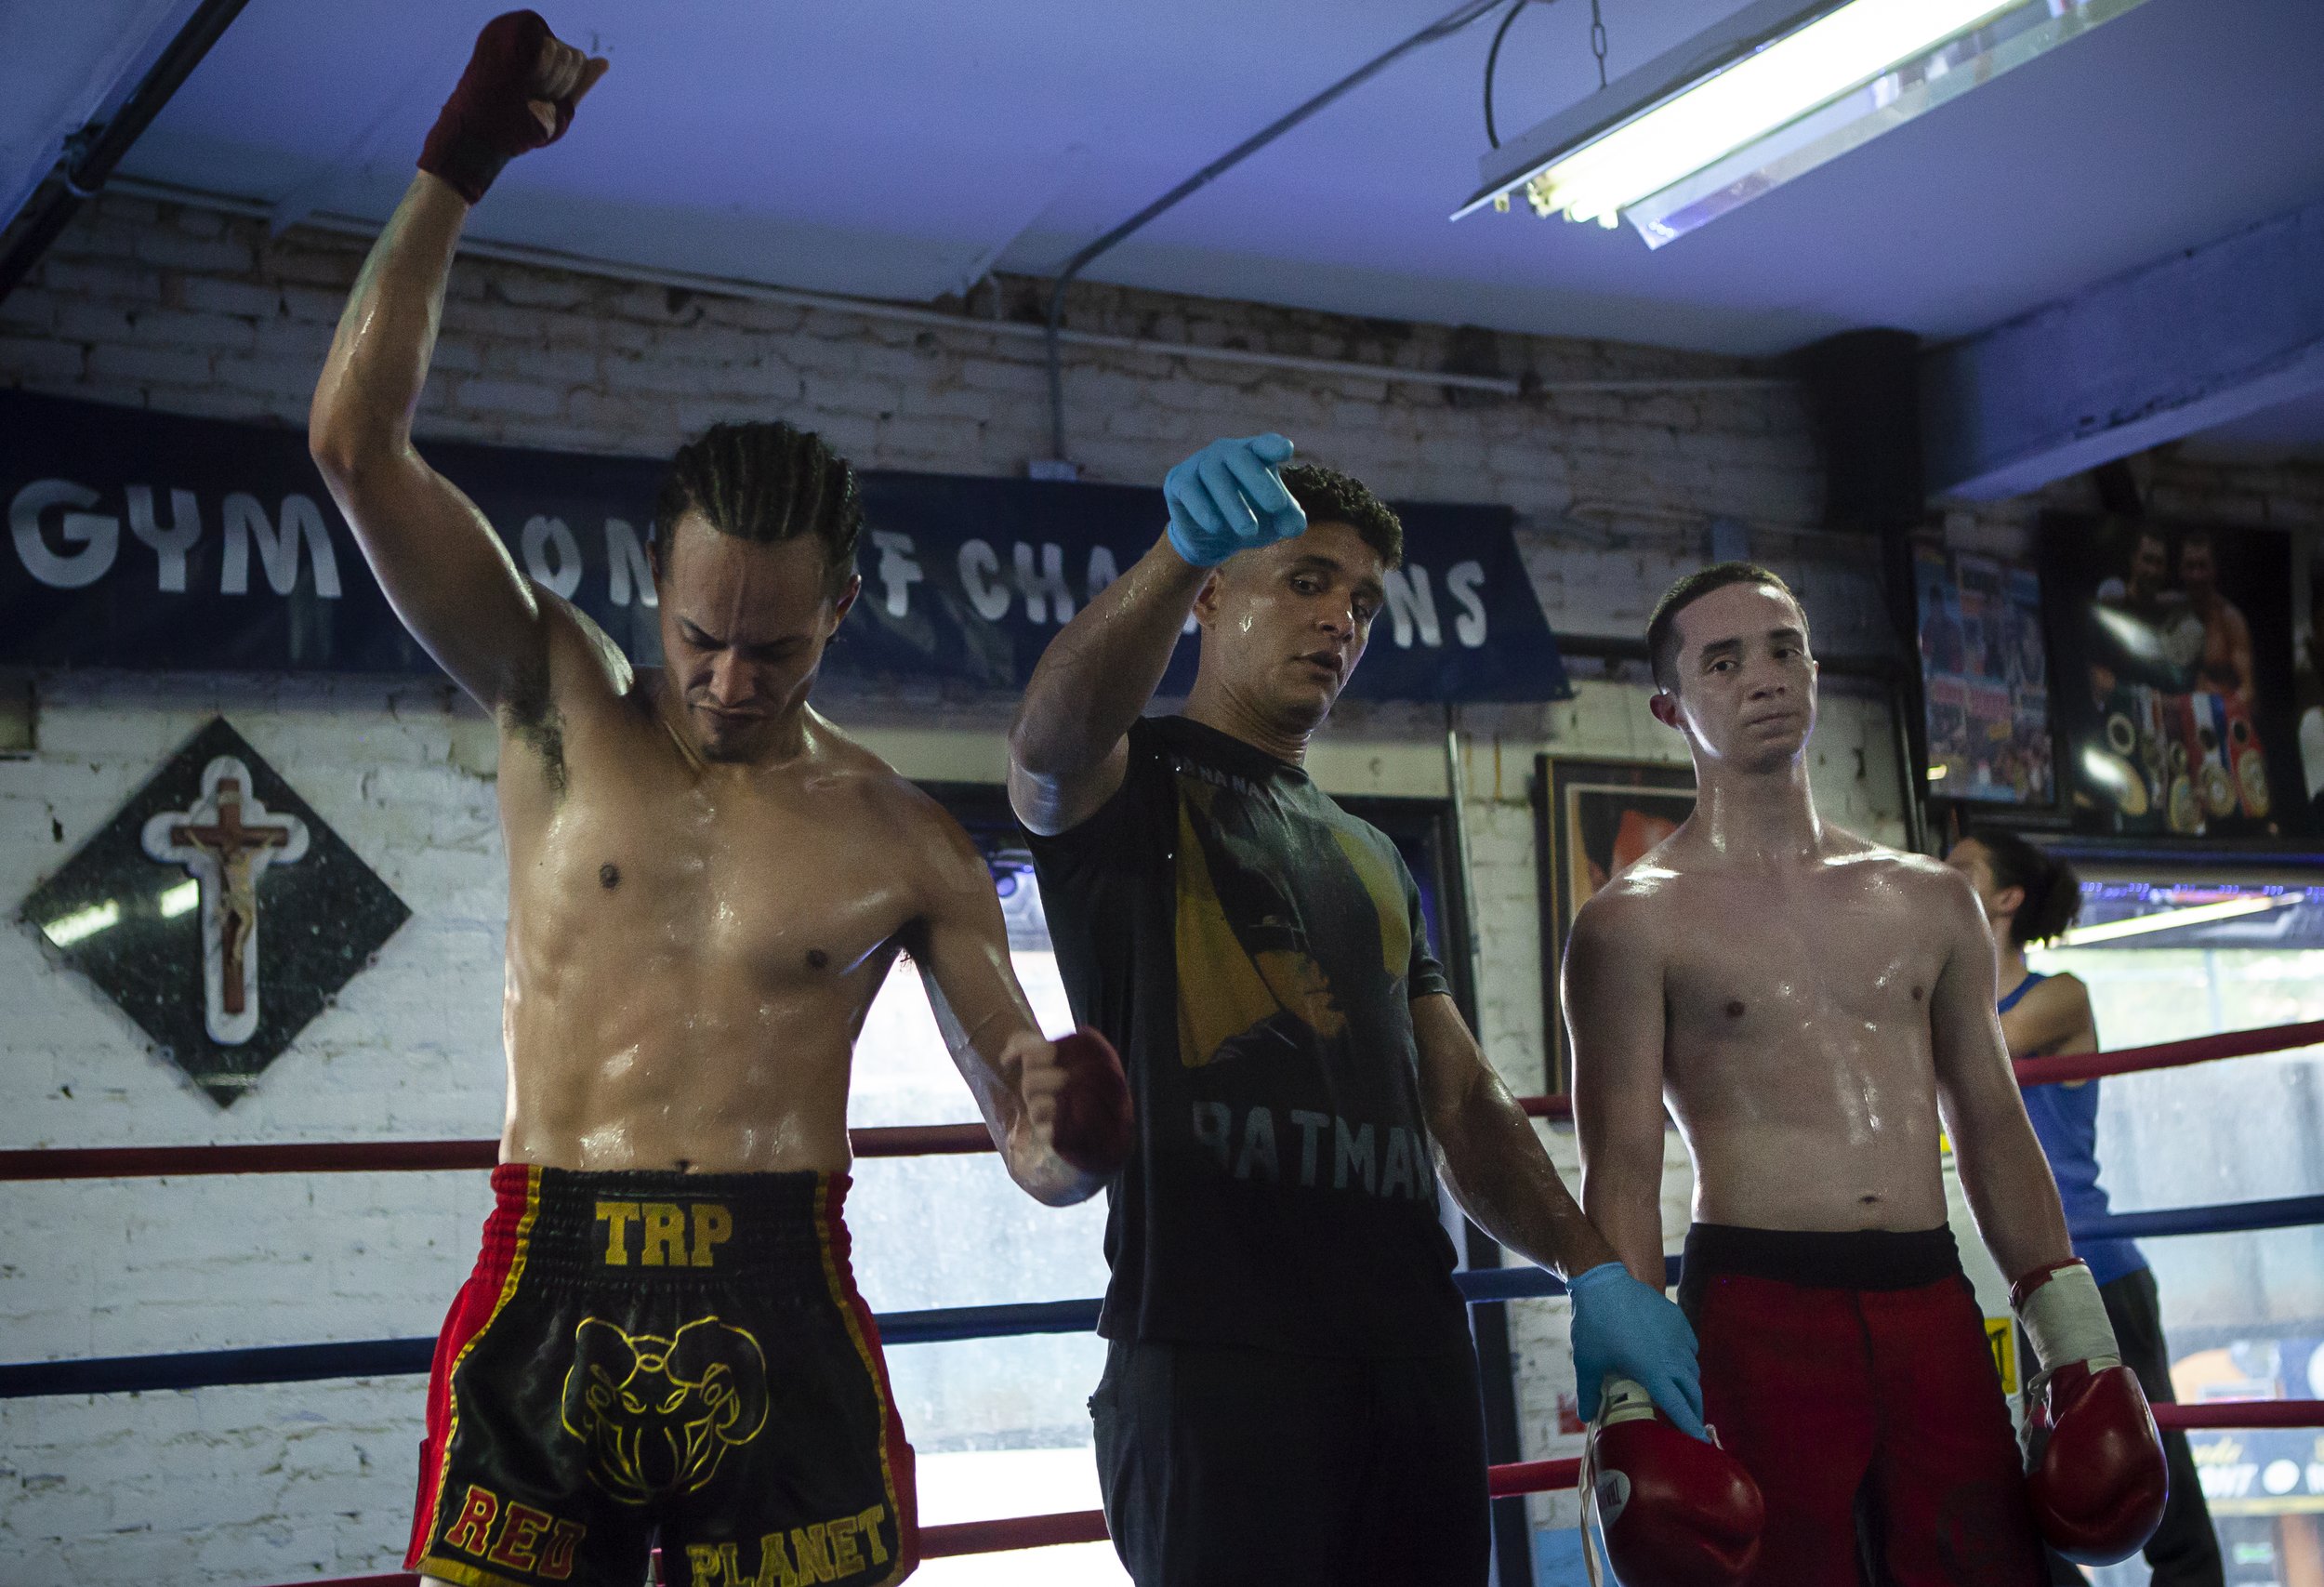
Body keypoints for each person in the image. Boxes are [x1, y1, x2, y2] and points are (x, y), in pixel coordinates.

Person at [308, 17, 1129, 1586]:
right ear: (652, 584)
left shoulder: (903, 839)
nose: (730, 679)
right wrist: (458, 166)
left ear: (844, 610)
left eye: (776, 647)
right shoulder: (552, 698)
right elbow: (353, 446)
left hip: (777, 1280)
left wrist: (1075, 1136)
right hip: (551, 1263)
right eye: (700, 637)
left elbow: (1026, 1143)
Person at [1008, 434, 1703, 1585]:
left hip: (1410, 1356)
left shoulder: (1371, 853)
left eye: (1364, 603)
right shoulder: (1133, 788)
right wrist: (1176, 551)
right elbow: (1048, 748)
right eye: (1307, 581)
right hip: (1215, 1359)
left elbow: (1462, 1101)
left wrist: (1593, 1273)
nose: (1340, 620)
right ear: (1212, 596)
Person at [1565, 562, 2163, 1586]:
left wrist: (2079, 1343)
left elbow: (1992, 1121)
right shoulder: (1631, 921)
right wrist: (1631, 1400)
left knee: (1982, 1568)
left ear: (1815, 668)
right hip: (1755, 1304)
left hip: (1929, 1292)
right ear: (1672, 707)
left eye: (1783, 648)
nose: (1764, 676)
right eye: (1724, 661)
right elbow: (1620, 1162)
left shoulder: (1929, 899)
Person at [1948, 829, 2225, 1587]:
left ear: (2007, 898)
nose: (1941, 875)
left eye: (1962, 868)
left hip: (2092, 1267)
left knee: (2156, 1478)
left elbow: (1981, 1044)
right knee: (2015, 1484)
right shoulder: (1951, 1005)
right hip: (2001, 1277)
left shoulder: (2057, 996)